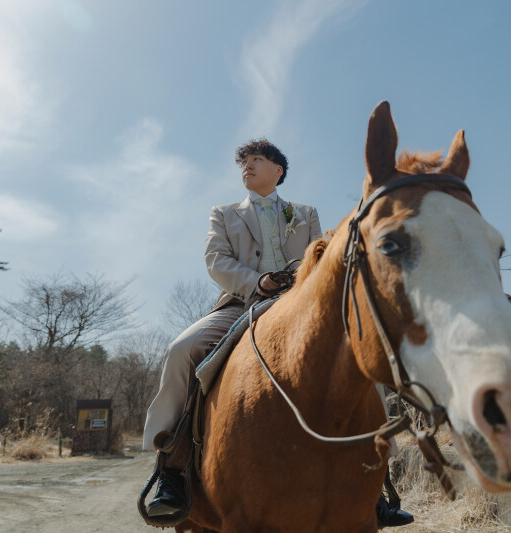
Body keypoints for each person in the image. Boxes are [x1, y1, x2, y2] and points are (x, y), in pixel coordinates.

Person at [142, 139, 412, 527]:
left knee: (361, 359)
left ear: (277, 170)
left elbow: (321, 258)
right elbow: (216, 260)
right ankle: (171, 468)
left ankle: (378, 480)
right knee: (181, 350)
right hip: (240, 305)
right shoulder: (224, 213)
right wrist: (256, 282)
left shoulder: (305, 213)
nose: (247, 167)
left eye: (256, 160)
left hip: (301, 308)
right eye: (243, 162)